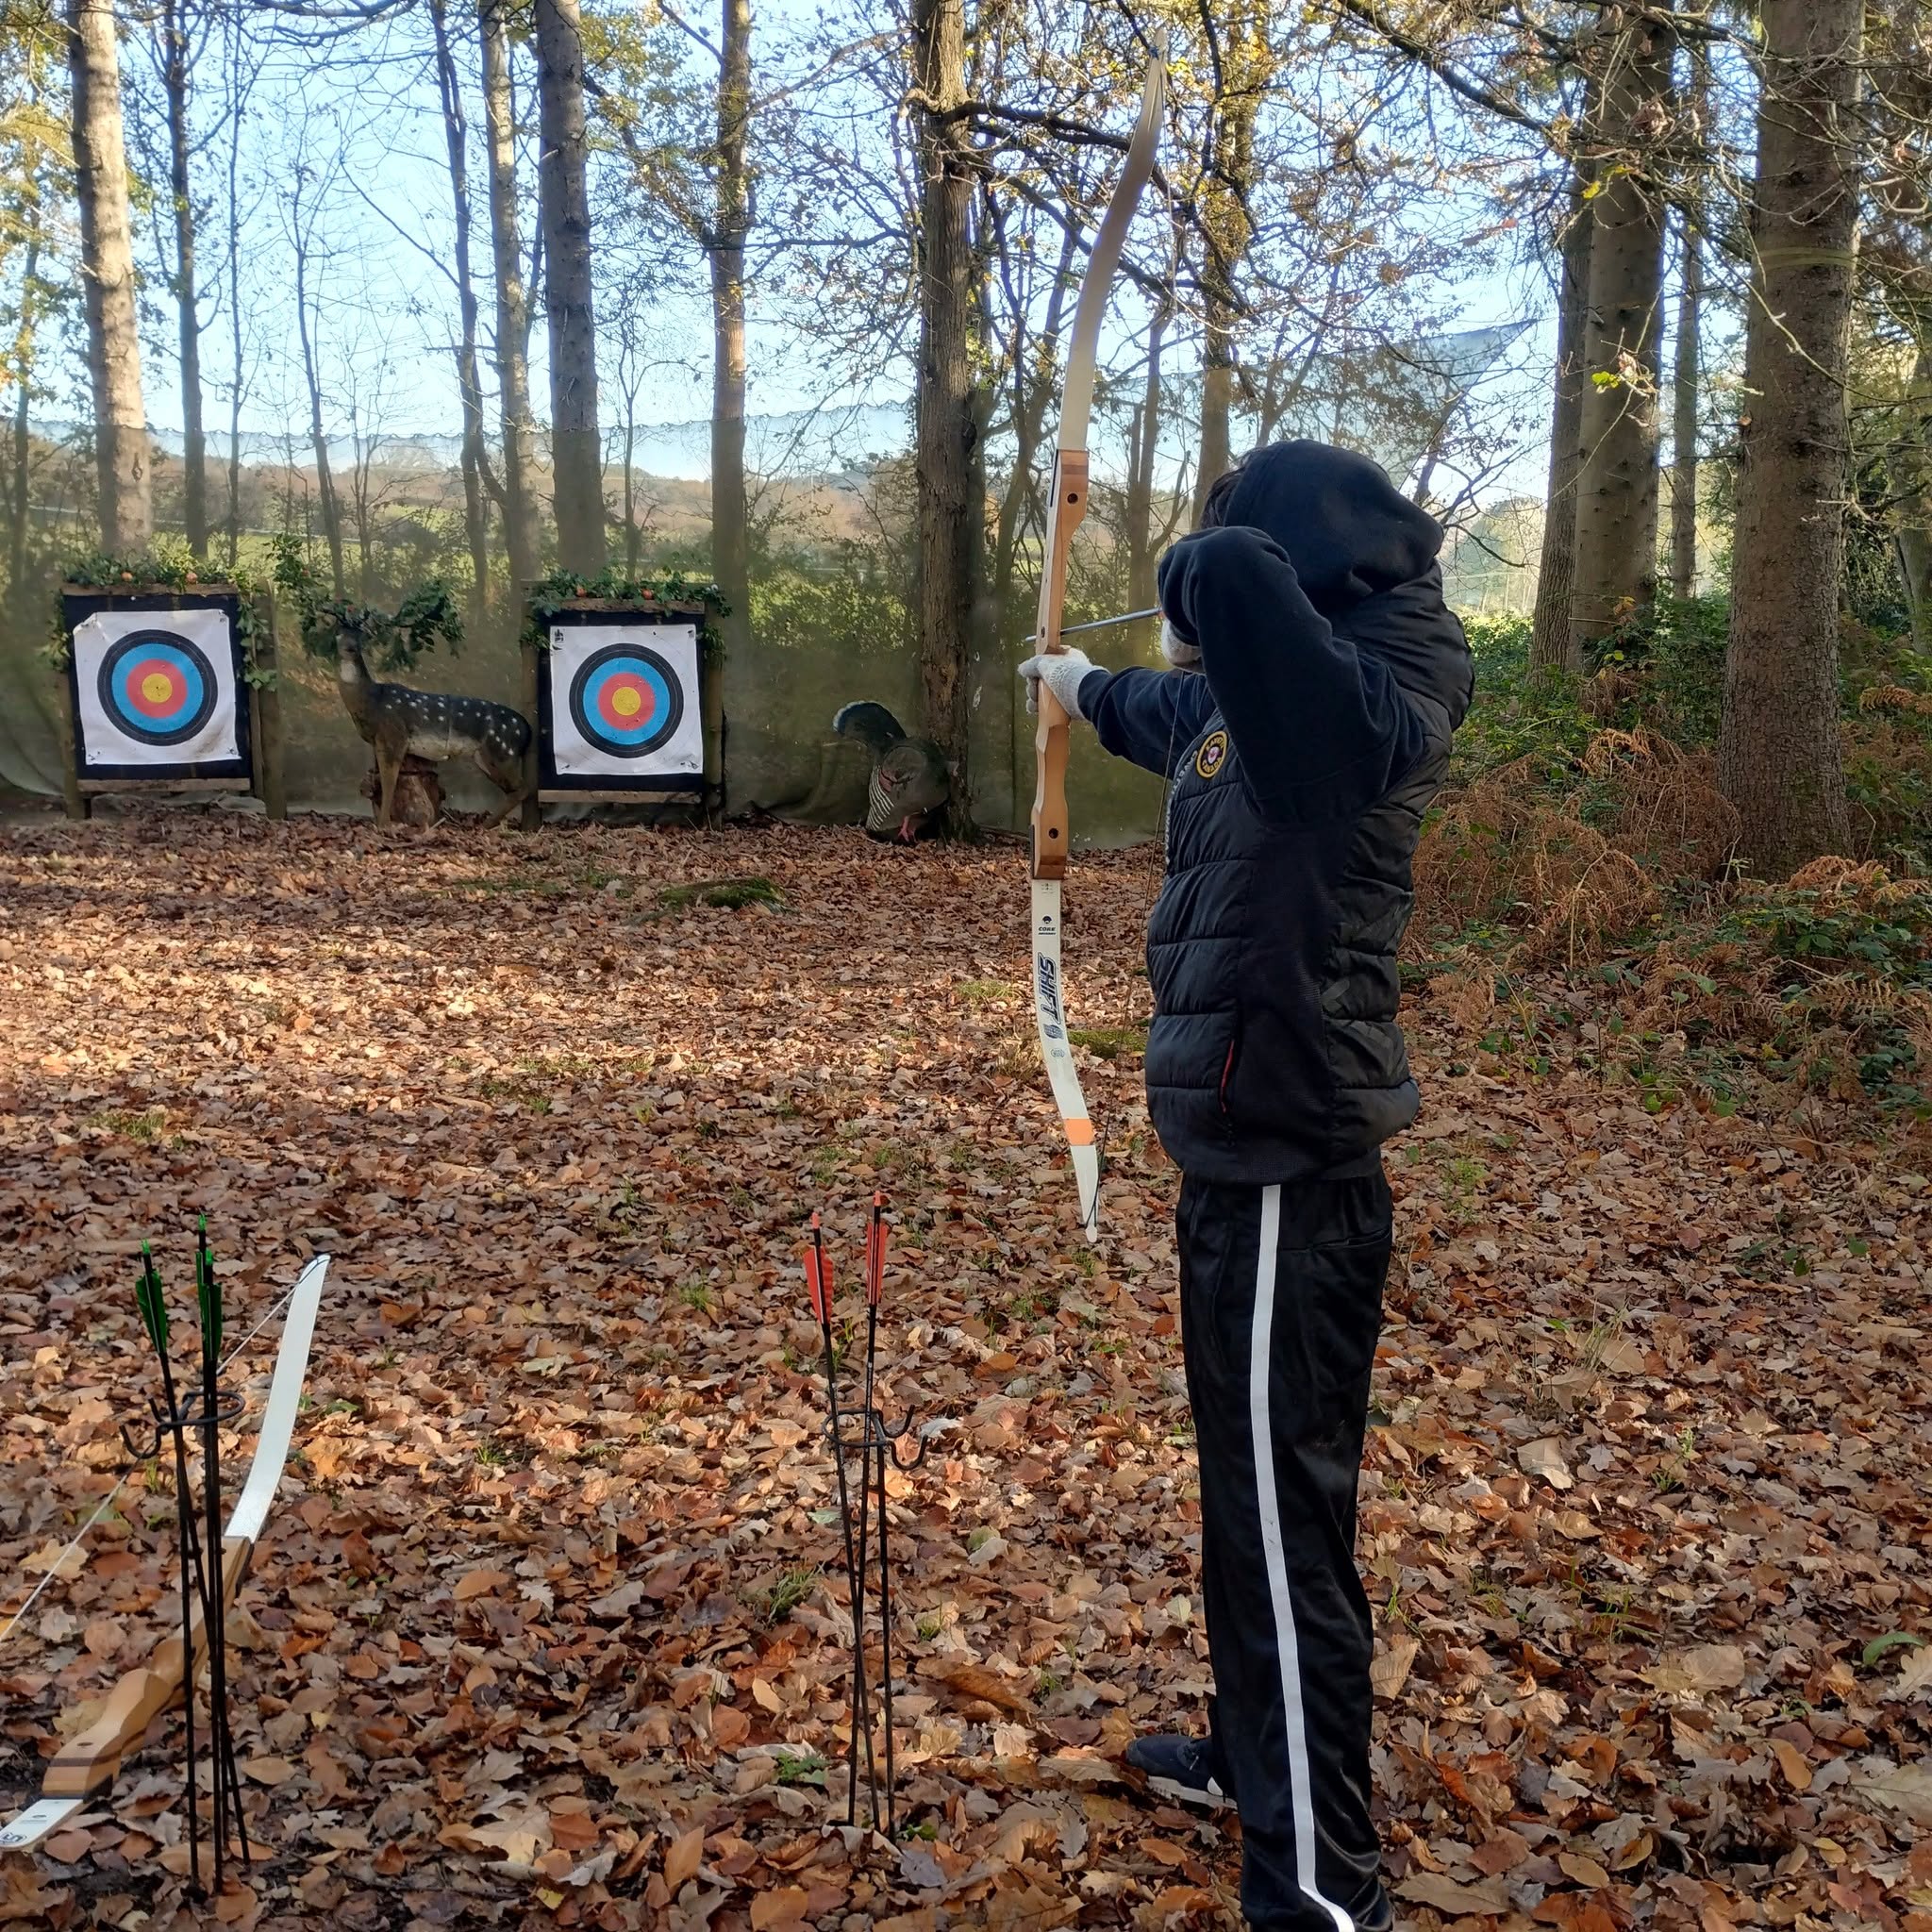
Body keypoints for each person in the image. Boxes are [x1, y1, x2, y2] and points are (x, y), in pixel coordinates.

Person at [1019, 441, 1474, 1932]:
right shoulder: (1250, 705)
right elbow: (1174, 715)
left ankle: (1322, 1893)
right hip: (1233, 1153)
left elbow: (1225, 598)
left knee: (1286, 1535)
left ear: (1291, 562)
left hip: (1294, 1161)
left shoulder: (1362, 705)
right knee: (1248, 1510)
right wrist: (1076, 687)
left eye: (1232, 558)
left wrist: (1195, 569)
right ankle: (1249, 1762)